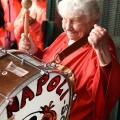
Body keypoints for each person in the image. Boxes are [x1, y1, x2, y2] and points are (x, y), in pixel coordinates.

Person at [18, 0, 120, 119]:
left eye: (75, 21)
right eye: (65, 19)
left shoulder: (100, 45)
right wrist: (34, 52)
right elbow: (48, 67)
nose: (67, 27)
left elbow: (108, 90)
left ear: (91, 20)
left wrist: (102, 52)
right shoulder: (63, 37)